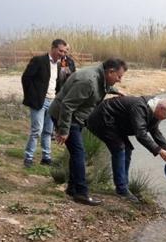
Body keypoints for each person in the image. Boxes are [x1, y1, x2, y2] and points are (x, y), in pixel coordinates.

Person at [49, 58, 127, 206]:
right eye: (119, 76)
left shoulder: (99, 76)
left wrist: (116, 91)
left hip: (76, 117)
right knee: (79, 153)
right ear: (110, 72)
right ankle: (81, 193)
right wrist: (64, 130)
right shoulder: (88, 81)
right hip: (65, 115)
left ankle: (72, 189)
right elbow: (67, 105)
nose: (120, 80)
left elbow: (100, 87)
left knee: (76, 153)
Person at [87, 96, 166, 203]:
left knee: (127, 149)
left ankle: (124, 186)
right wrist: (159, 151)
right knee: (119, 149)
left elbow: (156, 133)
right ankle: (122, 189)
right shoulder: (140, 108)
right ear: (161, 108)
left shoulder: (155, 111)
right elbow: (141, 135)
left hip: (115, 123)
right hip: (101, 119)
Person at [21, 39, 67, 168]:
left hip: (53, 102)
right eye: (60, 50)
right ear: (53, 48)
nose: (62, 53)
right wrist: (31, 96)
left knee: (48, 131)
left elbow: (59, 82)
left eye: (64, 51)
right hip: (39, 102)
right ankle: (28, 157)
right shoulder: (39, 60)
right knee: (37, 130)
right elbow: (26, 78)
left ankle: (46, 157)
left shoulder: (60, 65)